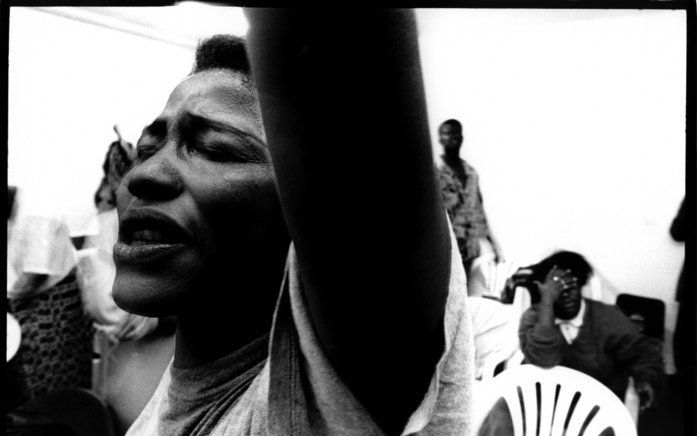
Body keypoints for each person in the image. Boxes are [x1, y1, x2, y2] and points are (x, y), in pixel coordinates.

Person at [116, 10, 473, 436]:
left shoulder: (315, 397)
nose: (143, 175)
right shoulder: (176, 387)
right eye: (146, 148)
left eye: (214, 149)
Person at [518, 251, 665, 411]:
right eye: (558, 290)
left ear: (580, 285)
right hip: (546, 404)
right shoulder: (533, 318)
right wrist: (547, 303)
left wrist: (646, 378)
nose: (567, 295)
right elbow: (543, 360)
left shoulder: (607, 317)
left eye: (572, 287)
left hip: (595, 407)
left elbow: (642, 352)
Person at [6, 186, 93, 404]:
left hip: (52, 302)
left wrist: (9, 297)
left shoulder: (36, 212)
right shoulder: (16, 205)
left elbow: (35, 274)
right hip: (32, 297)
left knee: (52, 383)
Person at [437, 119, 501, 274]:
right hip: (447, 247)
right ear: (440, 138)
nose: (453, 137)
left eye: (456, 133)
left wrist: (495, 245)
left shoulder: (471, 173)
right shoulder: (436, 172)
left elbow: (479, 211)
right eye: (448, 133)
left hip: (470, 248)